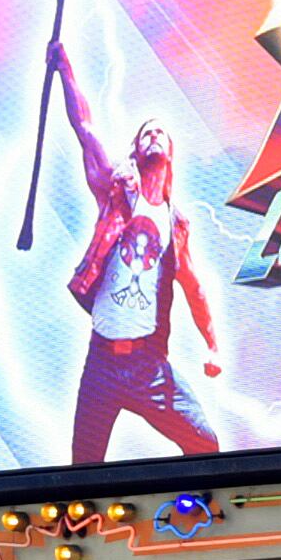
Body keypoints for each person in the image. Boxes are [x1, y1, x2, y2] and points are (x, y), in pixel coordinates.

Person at [49, 36, 223, 463]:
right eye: (146, 132)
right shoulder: (115, 194)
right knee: (83, 468)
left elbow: (194, 288)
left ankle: (189, 517)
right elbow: (85, 129)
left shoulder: (175, 224)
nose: (154, 136)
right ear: (136, 149)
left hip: (148, 364)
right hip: (102, 362)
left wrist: (212, 345)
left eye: (161, 132)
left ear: (171, 155)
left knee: (204, 443)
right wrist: (65, 70)